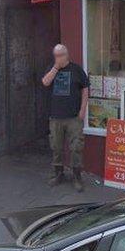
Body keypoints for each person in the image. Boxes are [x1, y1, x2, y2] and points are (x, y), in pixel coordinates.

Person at [41, 44, 89, 192]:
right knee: (56, 146)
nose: (58, 58)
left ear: (67, 55)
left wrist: (83, 109)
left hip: (73, 116)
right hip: (56, 116)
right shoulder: (52, 68)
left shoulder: (76, 70)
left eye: (61, 55)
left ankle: (76, 176)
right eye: (56, 55)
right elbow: (45, 82)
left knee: (76, 147)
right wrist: (55, 68)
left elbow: (85, 89)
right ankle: (58, 173)